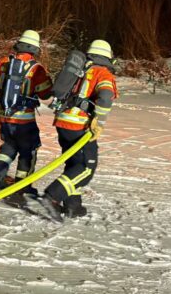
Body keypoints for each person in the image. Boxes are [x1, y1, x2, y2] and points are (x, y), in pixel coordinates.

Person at [38, 39, 119, 221]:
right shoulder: (102, 73)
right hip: (79, 126)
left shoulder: (82, 70)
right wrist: (99, 122)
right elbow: (106, 97)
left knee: (74, 165)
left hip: (64, 122)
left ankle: (73, 206)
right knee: (86, 168)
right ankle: (52, 196)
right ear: (108, 57)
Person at [0, 30, 52, 199]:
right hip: (24, 119)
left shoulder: (3, 62)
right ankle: (23, 185)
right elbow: (45, 94)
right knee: (28, 150)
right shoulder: (36, 69)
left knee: (9, 144)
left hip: (4, 115)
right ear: (35, 49)